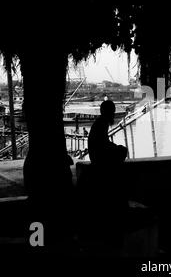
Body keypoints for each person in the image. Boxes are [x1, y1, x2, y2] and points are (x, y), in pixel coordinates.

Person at [78, 100, 128, 245]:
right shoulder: (102, 123)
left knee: (119, 149)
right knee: (122, 151)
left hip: (97, 156)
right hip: (99, 158)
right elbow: (103, 145)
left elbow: (103, 142)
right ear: (109, 112)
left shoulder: (100, 122)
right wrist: (116, 148)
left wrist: (113, 147)